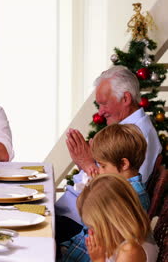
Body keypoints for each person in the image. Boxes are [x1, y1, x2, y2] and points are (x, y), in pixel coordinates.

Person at [55, 66, 162, 237]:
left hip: (85, 223)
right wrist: (86, 164)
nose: (100, 112)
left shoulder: (139, 134)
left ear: (126, 98)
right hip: (77, 215)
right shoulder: (127, 129)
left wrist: (88, 164)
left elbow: (121, 192)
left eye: (104, 103)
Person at [60, 124, 151, 261]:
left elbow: (104, 234)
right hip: (77, 249)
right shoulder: (118, 186)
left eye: (103, 166)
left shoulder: (131, 196)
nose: (100, 170)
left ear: (124, 164)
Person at [80, 174, 158, 262]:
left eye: (95, 226)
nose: (91, 231)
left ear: (114, 220)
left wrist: (98, 259)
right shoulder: (126, 236)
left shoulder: (130, 252)